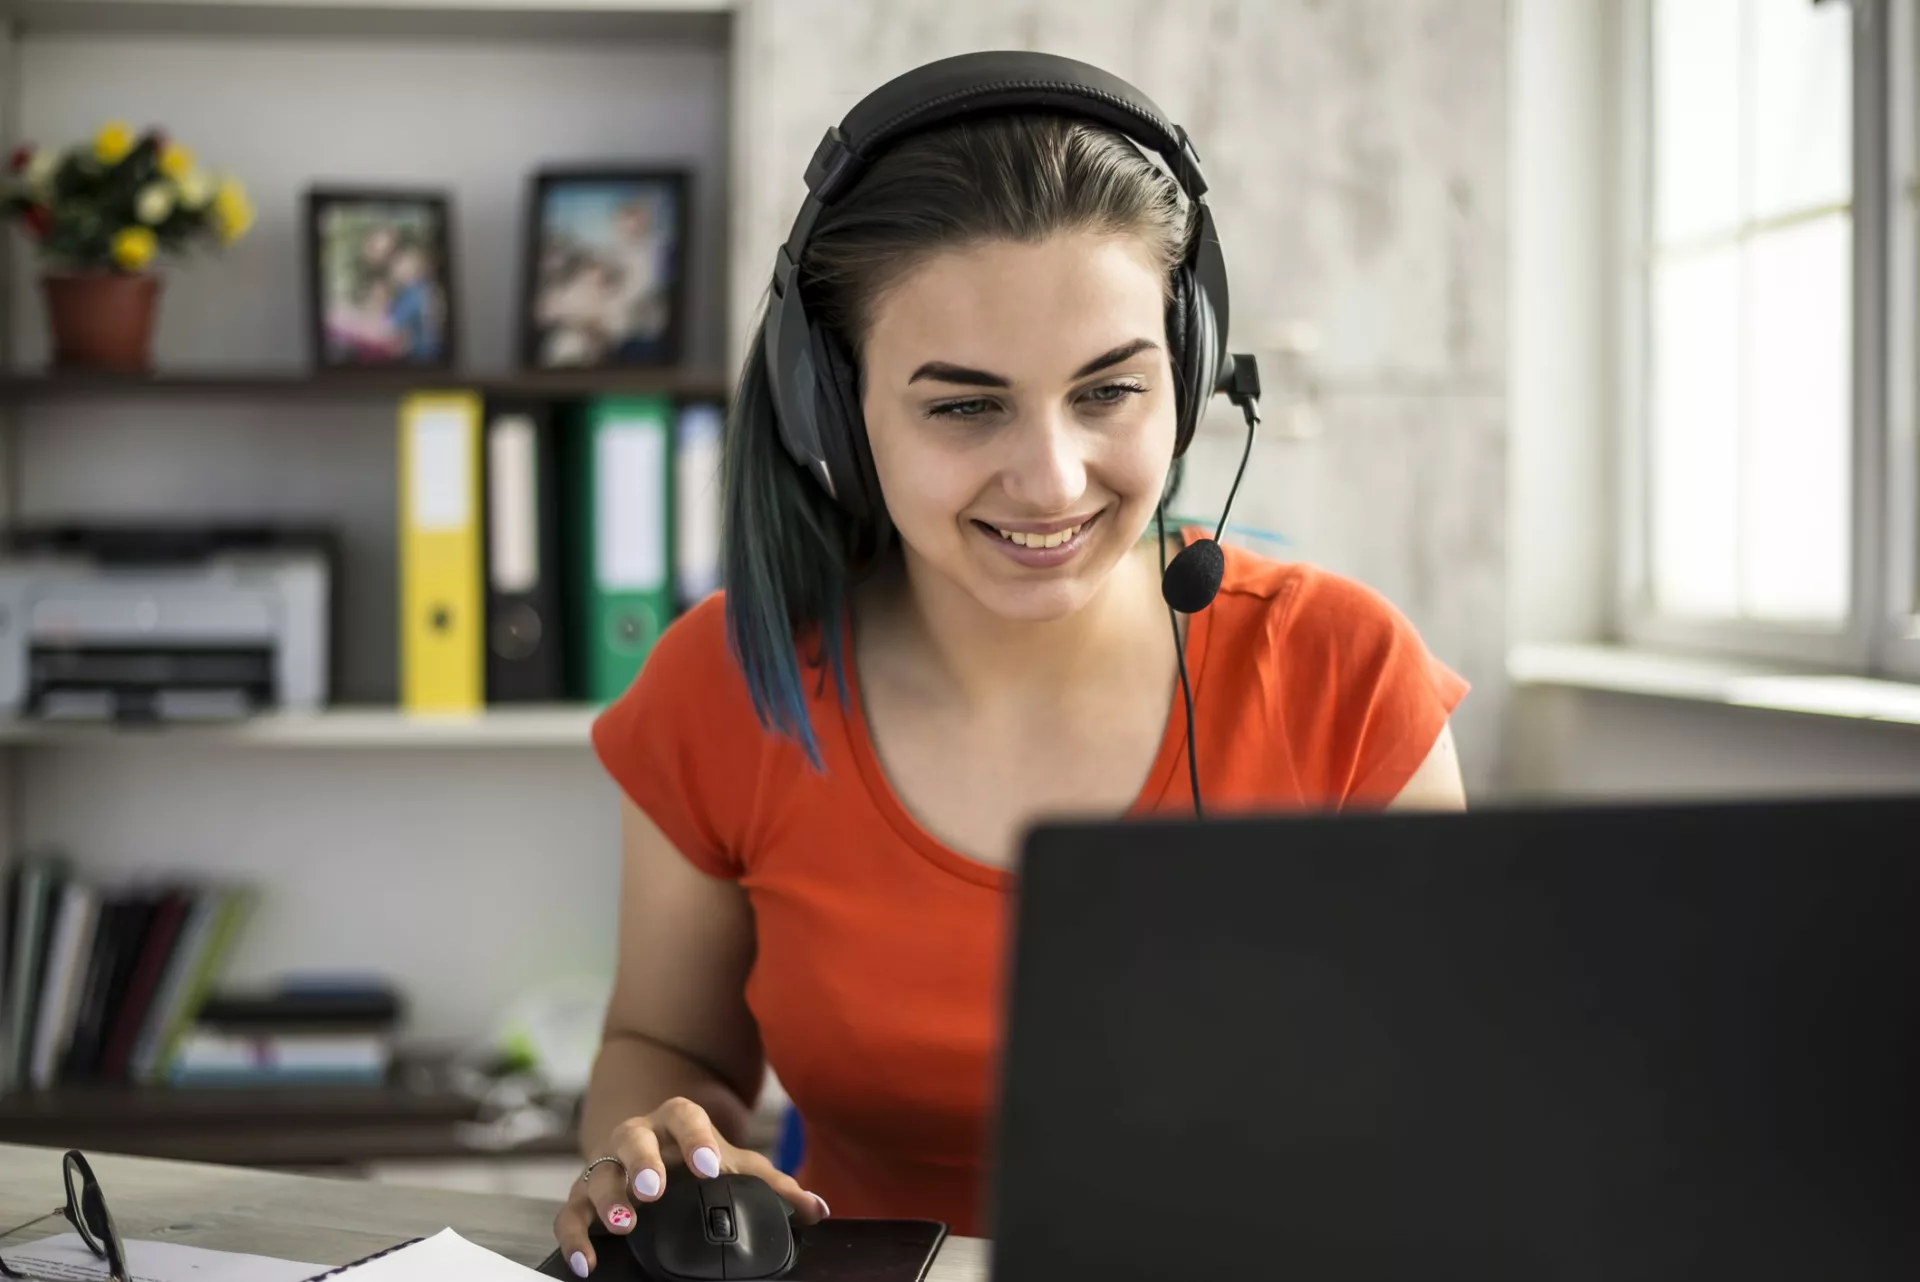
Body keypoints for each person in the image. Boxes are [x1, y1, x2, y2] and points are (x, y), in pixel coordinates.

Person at [553, 60, 1467, 1279]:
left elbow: (1461, 1113)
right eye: (965, 407)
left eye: (1110, 390)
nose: (1051, 478)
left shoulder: (1345, 679)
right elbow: (665, 1042)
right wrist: (655, 1138)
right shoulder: (724, 685)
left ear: (1188, 376)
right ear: (832, 407)